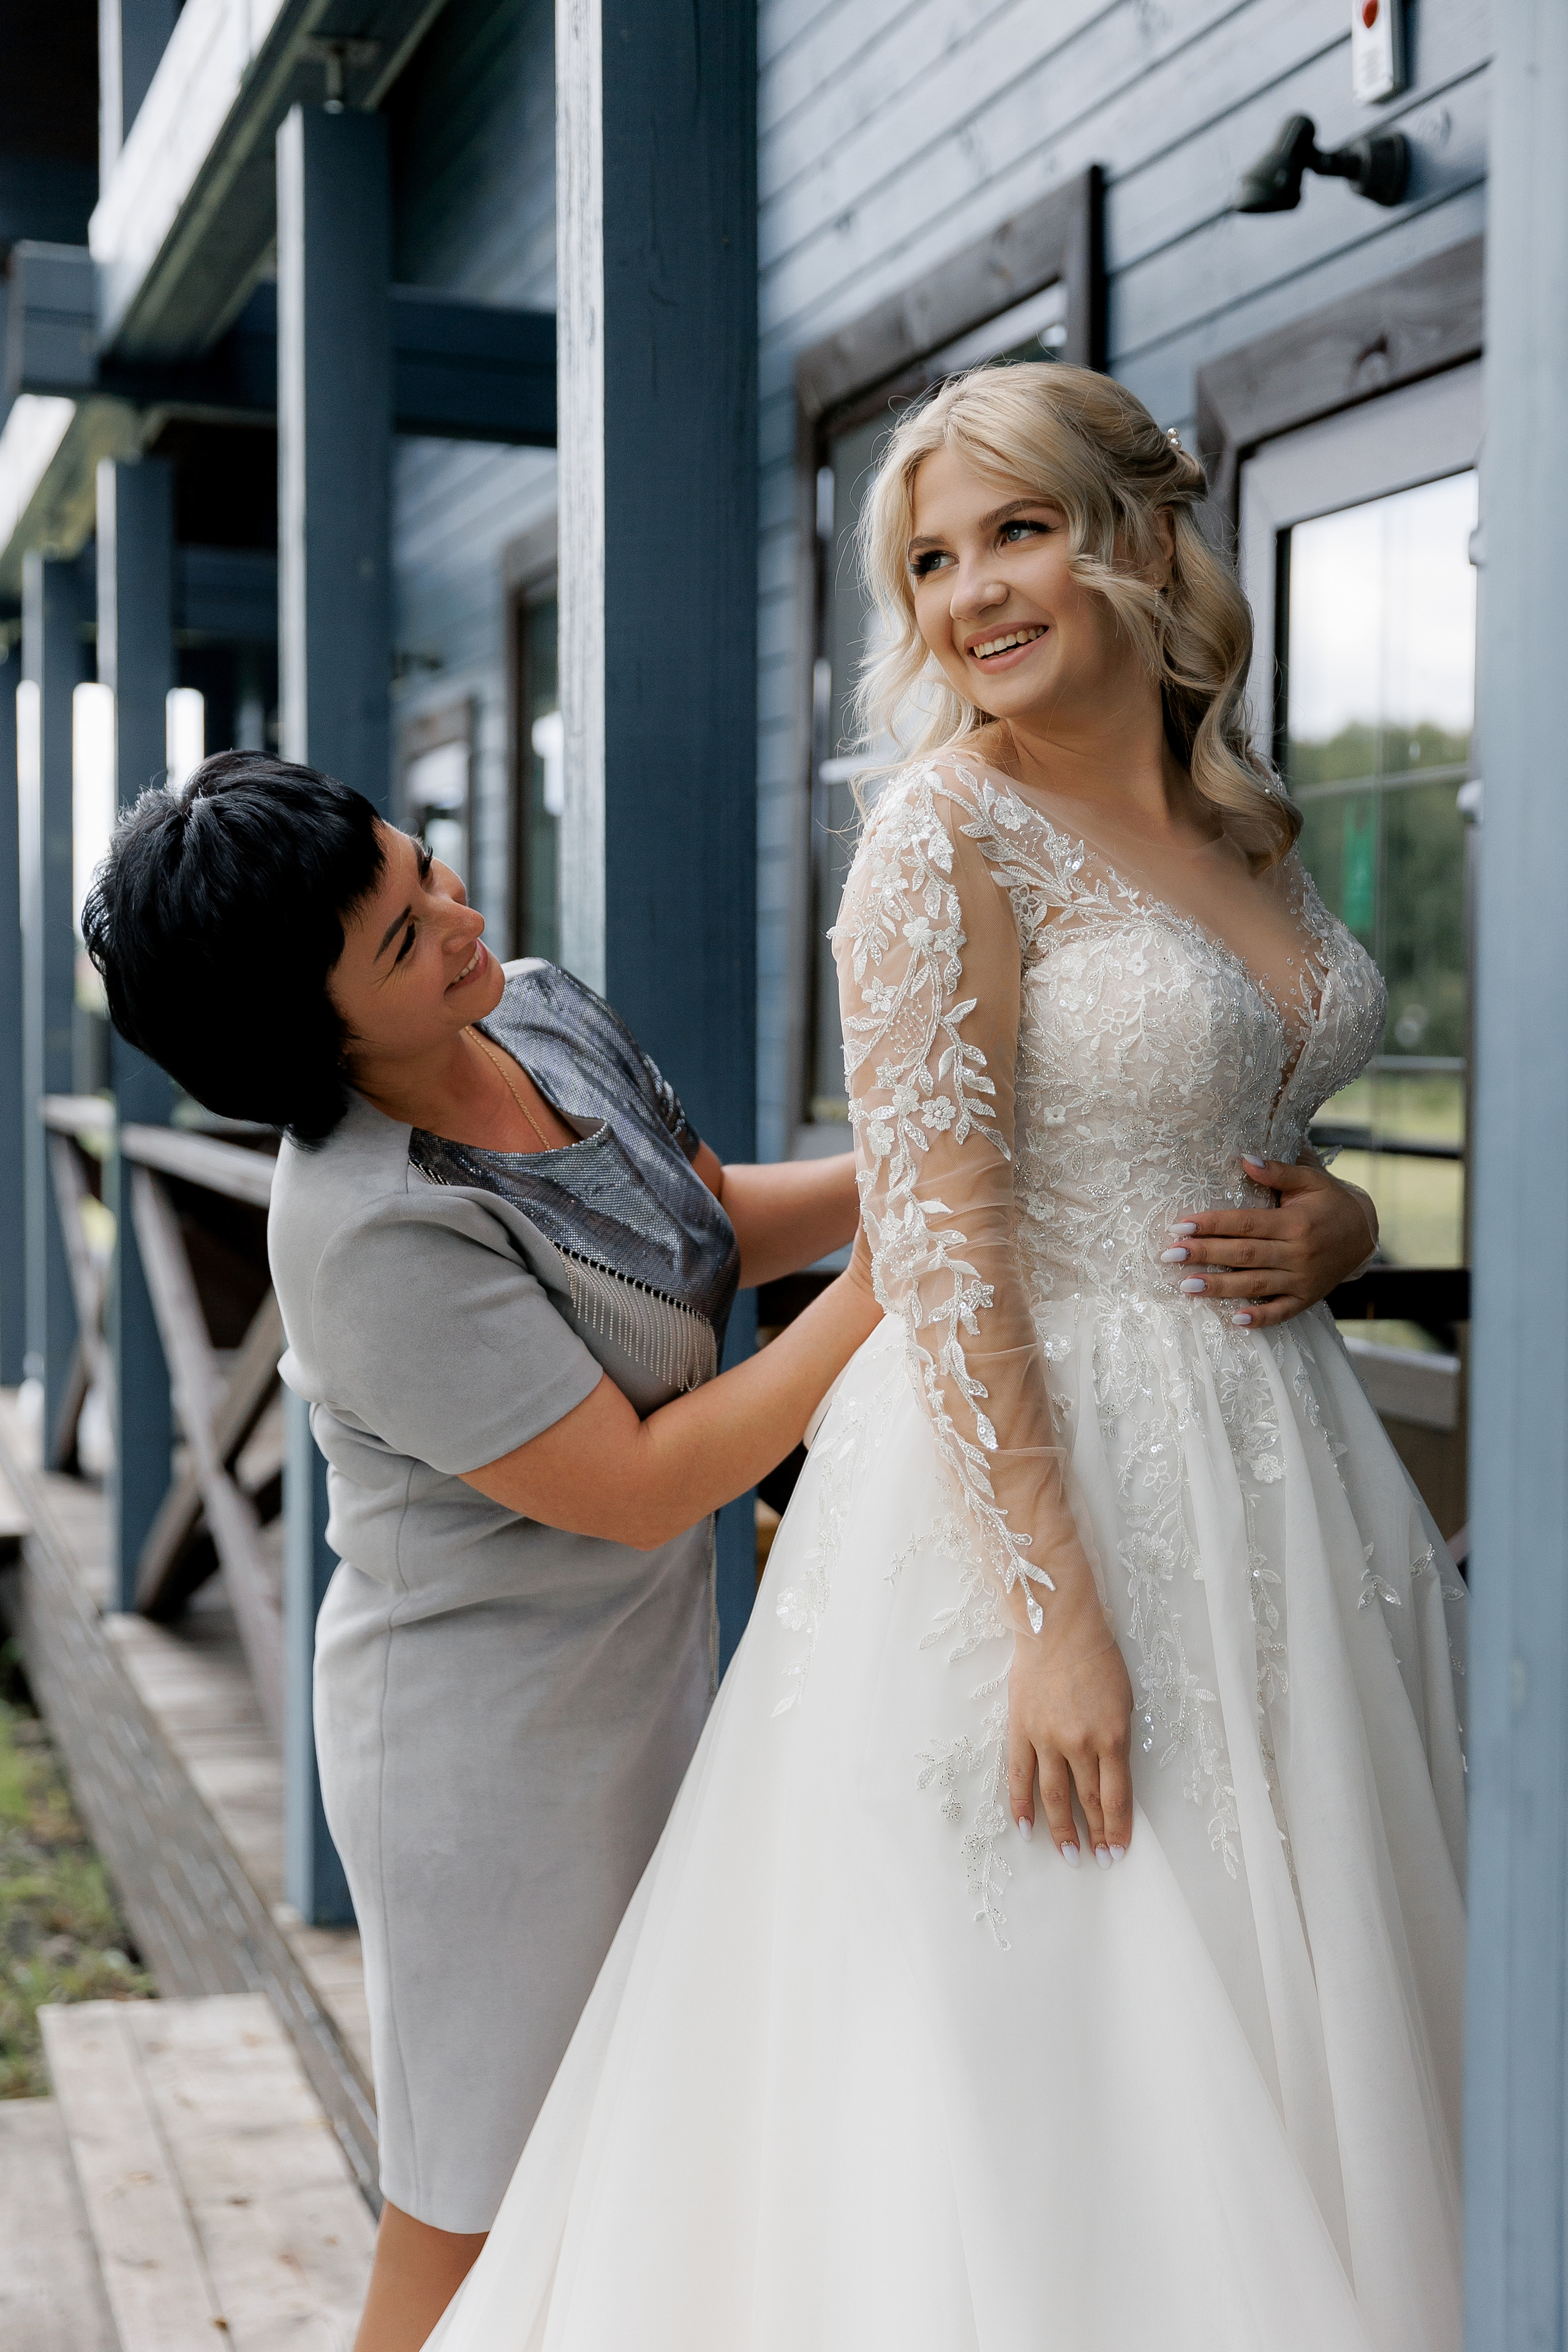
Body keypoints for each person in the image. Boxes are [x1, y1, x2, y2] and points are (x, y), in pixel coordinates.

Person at [426, 364, 1465, 2352]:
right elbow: (941, 1238)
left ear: (1137, 540)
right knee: (1060, 2031)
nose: (972, 592)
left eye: (1016, 529)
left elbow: (1251, 1126)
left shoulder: (1248, 820)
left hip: (1283, 1481)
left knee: (1321, 2002)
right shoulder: (941, 840)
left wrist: (1345, 1222)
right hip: (1032, 1493)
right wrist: (1055, 1616)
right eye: (928, 559)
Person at [81, 754, 879, 2352]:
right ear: (301, 1038)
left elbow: (709, 1217)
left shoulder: (535, 1009)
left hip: (645, 1676)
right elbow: (645, 1482)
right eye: (400, 939)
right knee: (472, 2208)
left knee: (643, 2146)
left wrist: (924, 1172)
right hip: (483, 1755)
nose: (456, 920)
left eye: (423, 869)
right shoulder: (363, 1226)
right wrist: (902, 1277)